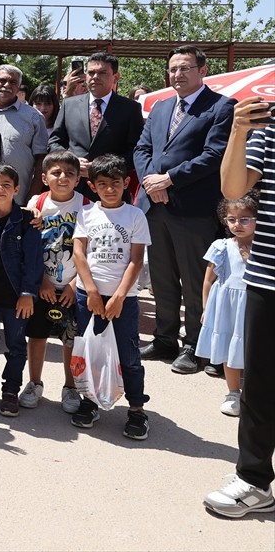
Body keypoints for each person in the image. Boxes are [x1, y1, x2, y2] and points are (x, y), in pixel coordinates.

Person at [134, 45, 234, 372]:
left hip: (193, 209)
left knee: (194, 281)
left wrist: (170, 179)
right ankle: (165, 338)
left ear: (203, 70)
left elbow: (214, 155)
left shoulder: (221, 106)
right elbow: (142, 149)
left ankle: (195, 345)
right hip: (155, 206)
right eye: (173, 69)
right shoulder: (161, 107)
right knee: (162, 278)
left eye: (185, 68)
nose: (177, 74)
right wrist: (152, 183)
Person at [202, 96, 275, 518]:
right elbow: (233, 189)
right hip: (266, 276)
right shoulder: (267, 126)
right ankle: (253, 481)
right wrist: (239, 129)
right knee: (260, 384)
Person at [70, 154, 152, 440]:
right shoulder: (86, 213)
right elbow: (79, 253)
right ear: (92, 186)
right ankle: (90, 402)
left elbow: (136, 260)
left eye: (115, 183)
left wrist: (118, 296)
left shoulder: (135, 215)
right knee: (91, 351)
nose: (109, 189)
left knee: (128, 354)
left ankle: (137, 409)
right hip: (89, 296)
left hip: (123, 299)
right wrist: (91, 290)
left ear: (126, 183)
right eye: (102, 184)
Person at [0, 163, 42, 417]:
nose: (0, 189)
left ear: (16, 189)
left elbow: (33, 261)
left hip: (16, 297)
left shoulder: (27, 221)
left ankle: (11, 389)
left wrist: (27, 293)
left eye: (6, 185)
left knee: (16, 345)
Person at [22, 150, 87, 414]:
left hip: (74, 285)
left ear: (78, 179)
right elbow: (28, 246)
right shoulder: (36, 203)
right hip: (43, 283)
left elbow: (93, 252)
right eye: (56, 172)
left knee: (71, 339)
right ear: (44, 177)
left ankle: (70, 387)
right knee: (37, 336)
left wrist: (75, 284)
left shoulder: (87, 206)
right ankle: (34, 383)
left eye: (70, 173)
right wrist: (42, 280)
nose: (63, 177)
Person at [48, 52, 144, 198]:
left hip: (111, 191)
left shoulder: (130, 108)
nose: (95, 77)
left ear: (116, 77)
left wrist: (103, 168)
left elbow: (136, 151)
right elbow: (54, 143)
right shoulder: (69, 105)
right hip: (72, 190)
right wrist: (71, 161)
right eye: (91, 72)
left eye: (102, 72)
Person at [196, 192, 257, 417]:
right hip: (227, 308)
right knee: (229, 349)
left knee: (254, 349)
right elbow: (208, 280)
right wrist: (206, 308)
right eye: (231, 219)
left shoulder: (264, 248)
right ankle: (233, 393)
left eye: (244, 219)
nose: (237, 224)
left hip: (253, 306)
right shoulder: (222, 246)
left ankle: (254, 394)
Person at [0, 65, 49, 203]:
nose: (7, 85)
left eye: (13, 82)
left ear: (19, 87)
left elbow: (41, 159)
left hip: (18, 199)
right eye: (2, 80)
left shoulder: (33, 117)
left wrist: (32, 196)